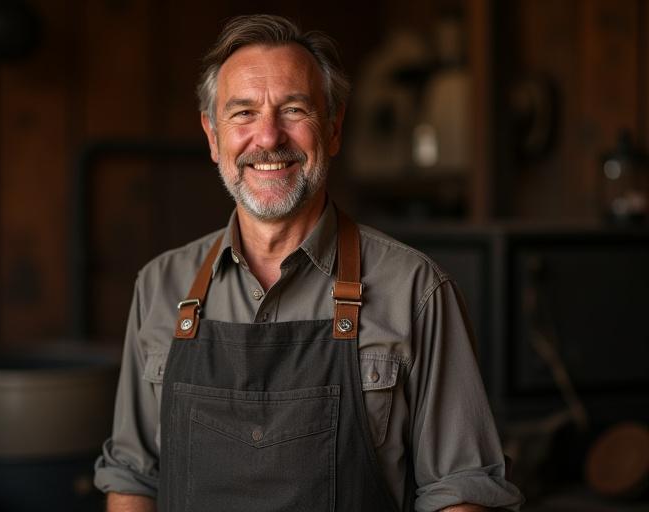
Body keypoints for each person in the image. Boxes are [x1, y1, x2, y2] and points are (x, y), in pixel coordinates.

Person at [94, 14, 524, 512]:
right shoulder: (160, 286)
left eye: (293, 110)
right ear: (213, 137)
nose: (269, 137)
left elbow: (463, 492)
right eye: (243, 113)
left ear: (334, 128)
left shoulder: (415, 290)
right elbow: (133, 479)